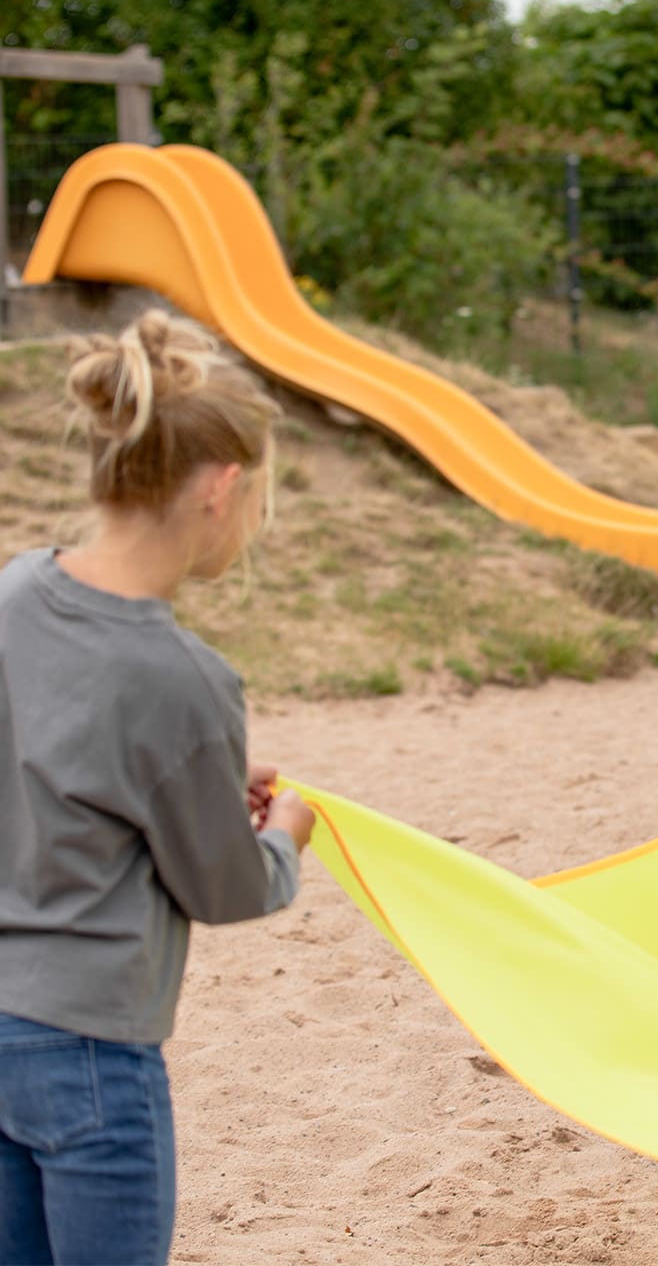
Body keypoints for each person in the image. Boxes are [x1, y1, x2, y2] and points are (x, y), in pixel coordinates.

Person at [0, 311, 314, 1266]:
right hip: (92, 1052)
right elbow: (223, 888)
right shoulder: (186, 679)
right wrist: (284, 836)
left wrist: (199, 779)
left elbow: (57, 758)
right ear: (221, 487)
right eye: (260, 496)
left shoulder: (15, 591)